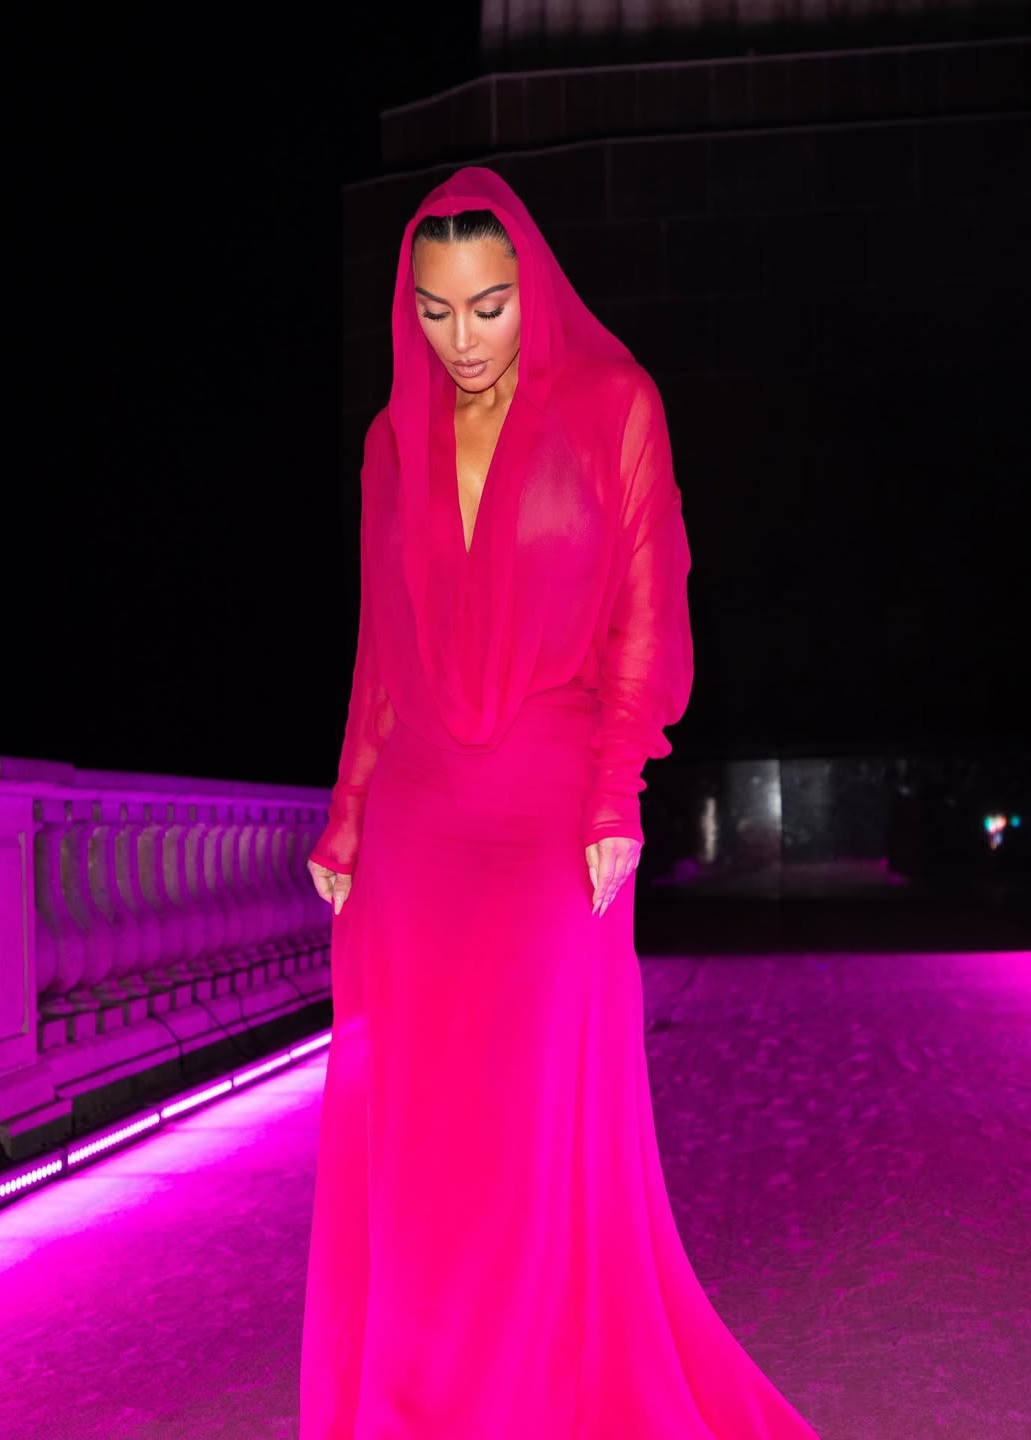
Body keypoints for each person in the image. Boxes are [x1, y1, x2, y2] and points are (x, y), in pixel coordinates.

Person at [300, 166, 819, 1439]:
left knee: (535, 1120)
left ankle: (531, 1399)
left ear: (531, 288)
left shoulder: (612, 406)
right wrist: (348, 814)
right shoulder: (390, 443)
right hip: (417, 818)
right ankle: (421, 1400)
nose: (463, 340)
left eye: (488, 306)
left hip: (550, 809)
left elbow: (646, 613)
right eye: (434, 311)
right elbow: (379, 648)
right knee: (421, 1128)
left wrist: (613, 794)